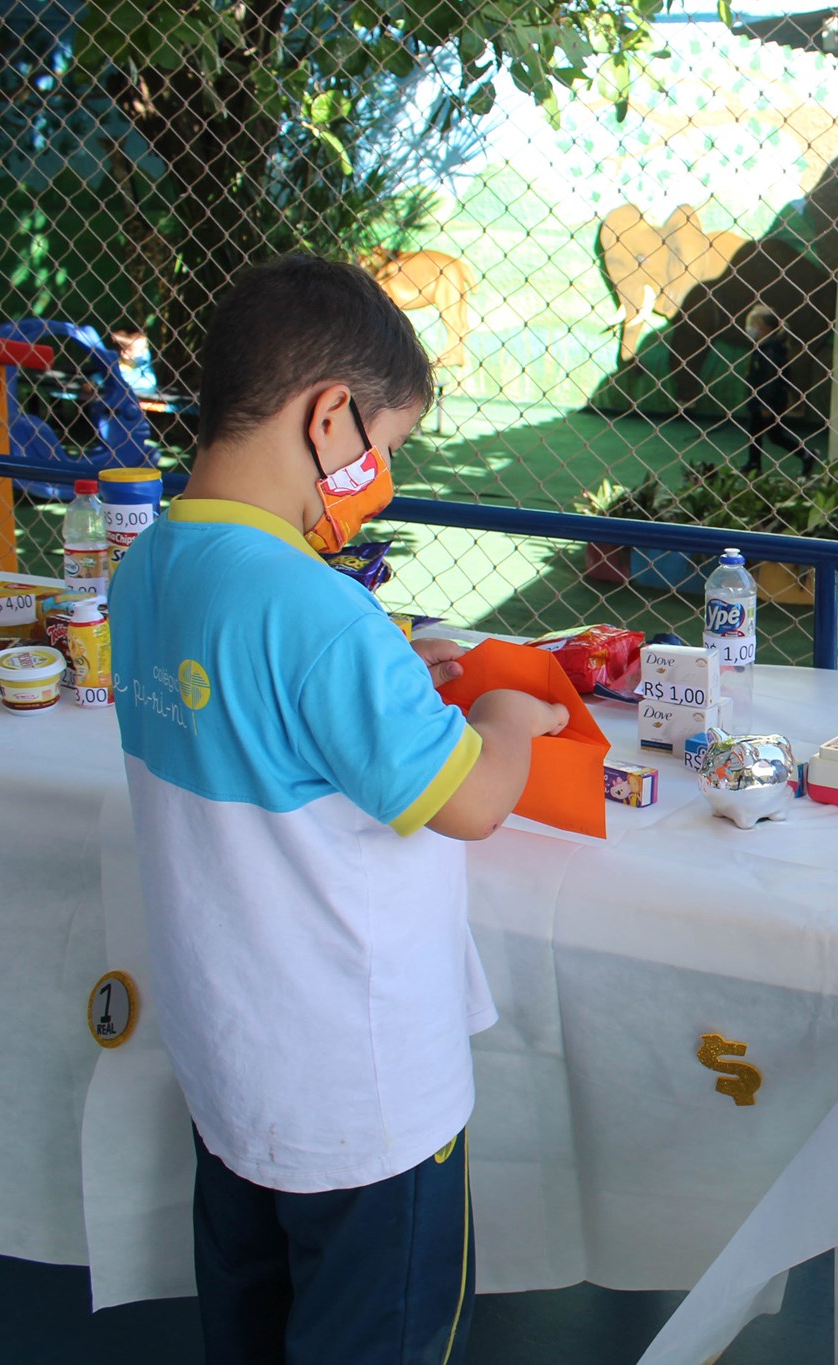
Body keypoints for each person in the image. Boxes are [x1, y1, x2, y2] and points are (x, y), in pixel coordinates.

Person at [108, 254, 571, 1364]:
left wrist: (393, 660)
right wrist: (509, 712)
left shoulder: (144, 569)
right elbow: (468, 802)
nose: (381, 477)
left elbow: (256, 708)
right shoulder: (320, 614)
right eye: (386, 448)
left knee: (253, 1331)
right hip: (365, 1107)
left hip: (234, 1081)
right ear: (329, 417)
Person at [741, 304, 810, 477]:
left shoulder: (771, 350)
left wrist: (766, 405)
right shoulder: (762, 348)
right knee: (754, 432)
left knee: (775, 436)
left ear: (765, 328)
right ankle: (754, 463)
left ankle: (807, 455)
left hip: (768, 401)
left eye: (754, 325)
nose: (750, 329)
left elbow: (772, 379)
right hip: (759, 400)